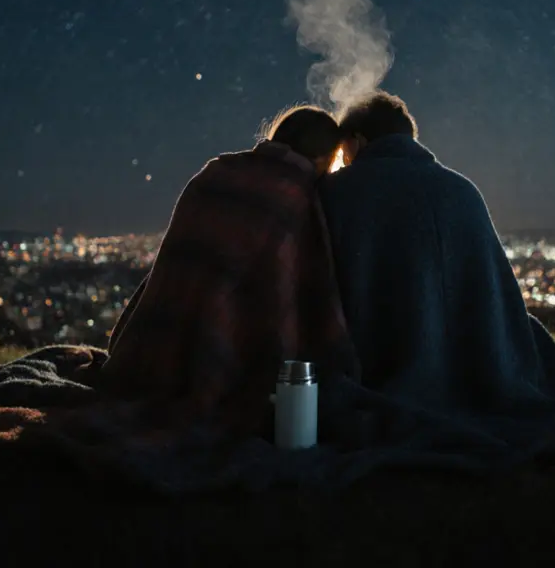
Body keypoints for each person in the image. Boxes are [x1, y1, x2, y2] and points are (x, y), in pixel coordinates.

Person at [317, 91, 555, 463]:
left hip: (378, 366)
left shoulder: (338, 192)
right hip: (480, 368)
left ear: (357, 141)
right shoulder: (463, 189)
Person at [96, 105, 359, 441]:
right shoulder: (293, 194)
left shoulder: (216, 170)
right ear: (323, 157)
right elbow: (294, 292)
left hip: (150, 348)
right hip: (216, 365)